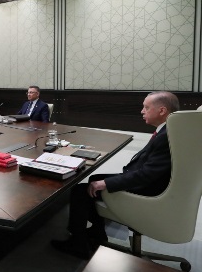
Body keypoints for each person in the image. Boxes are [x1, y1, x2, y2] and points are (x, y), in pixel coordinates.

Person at [51, 91, 179, 259]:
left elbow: (147, 174)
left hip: (147, 190)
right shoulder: (169, 131)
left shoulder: (165, 136)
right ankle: (97, 232)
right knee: (94, 179)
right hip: (149, 182)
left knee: (80, 190)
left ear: (162, 110)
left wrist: (106, 184)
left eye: (146, 108)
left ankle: (78, 243)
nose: (142, 111)